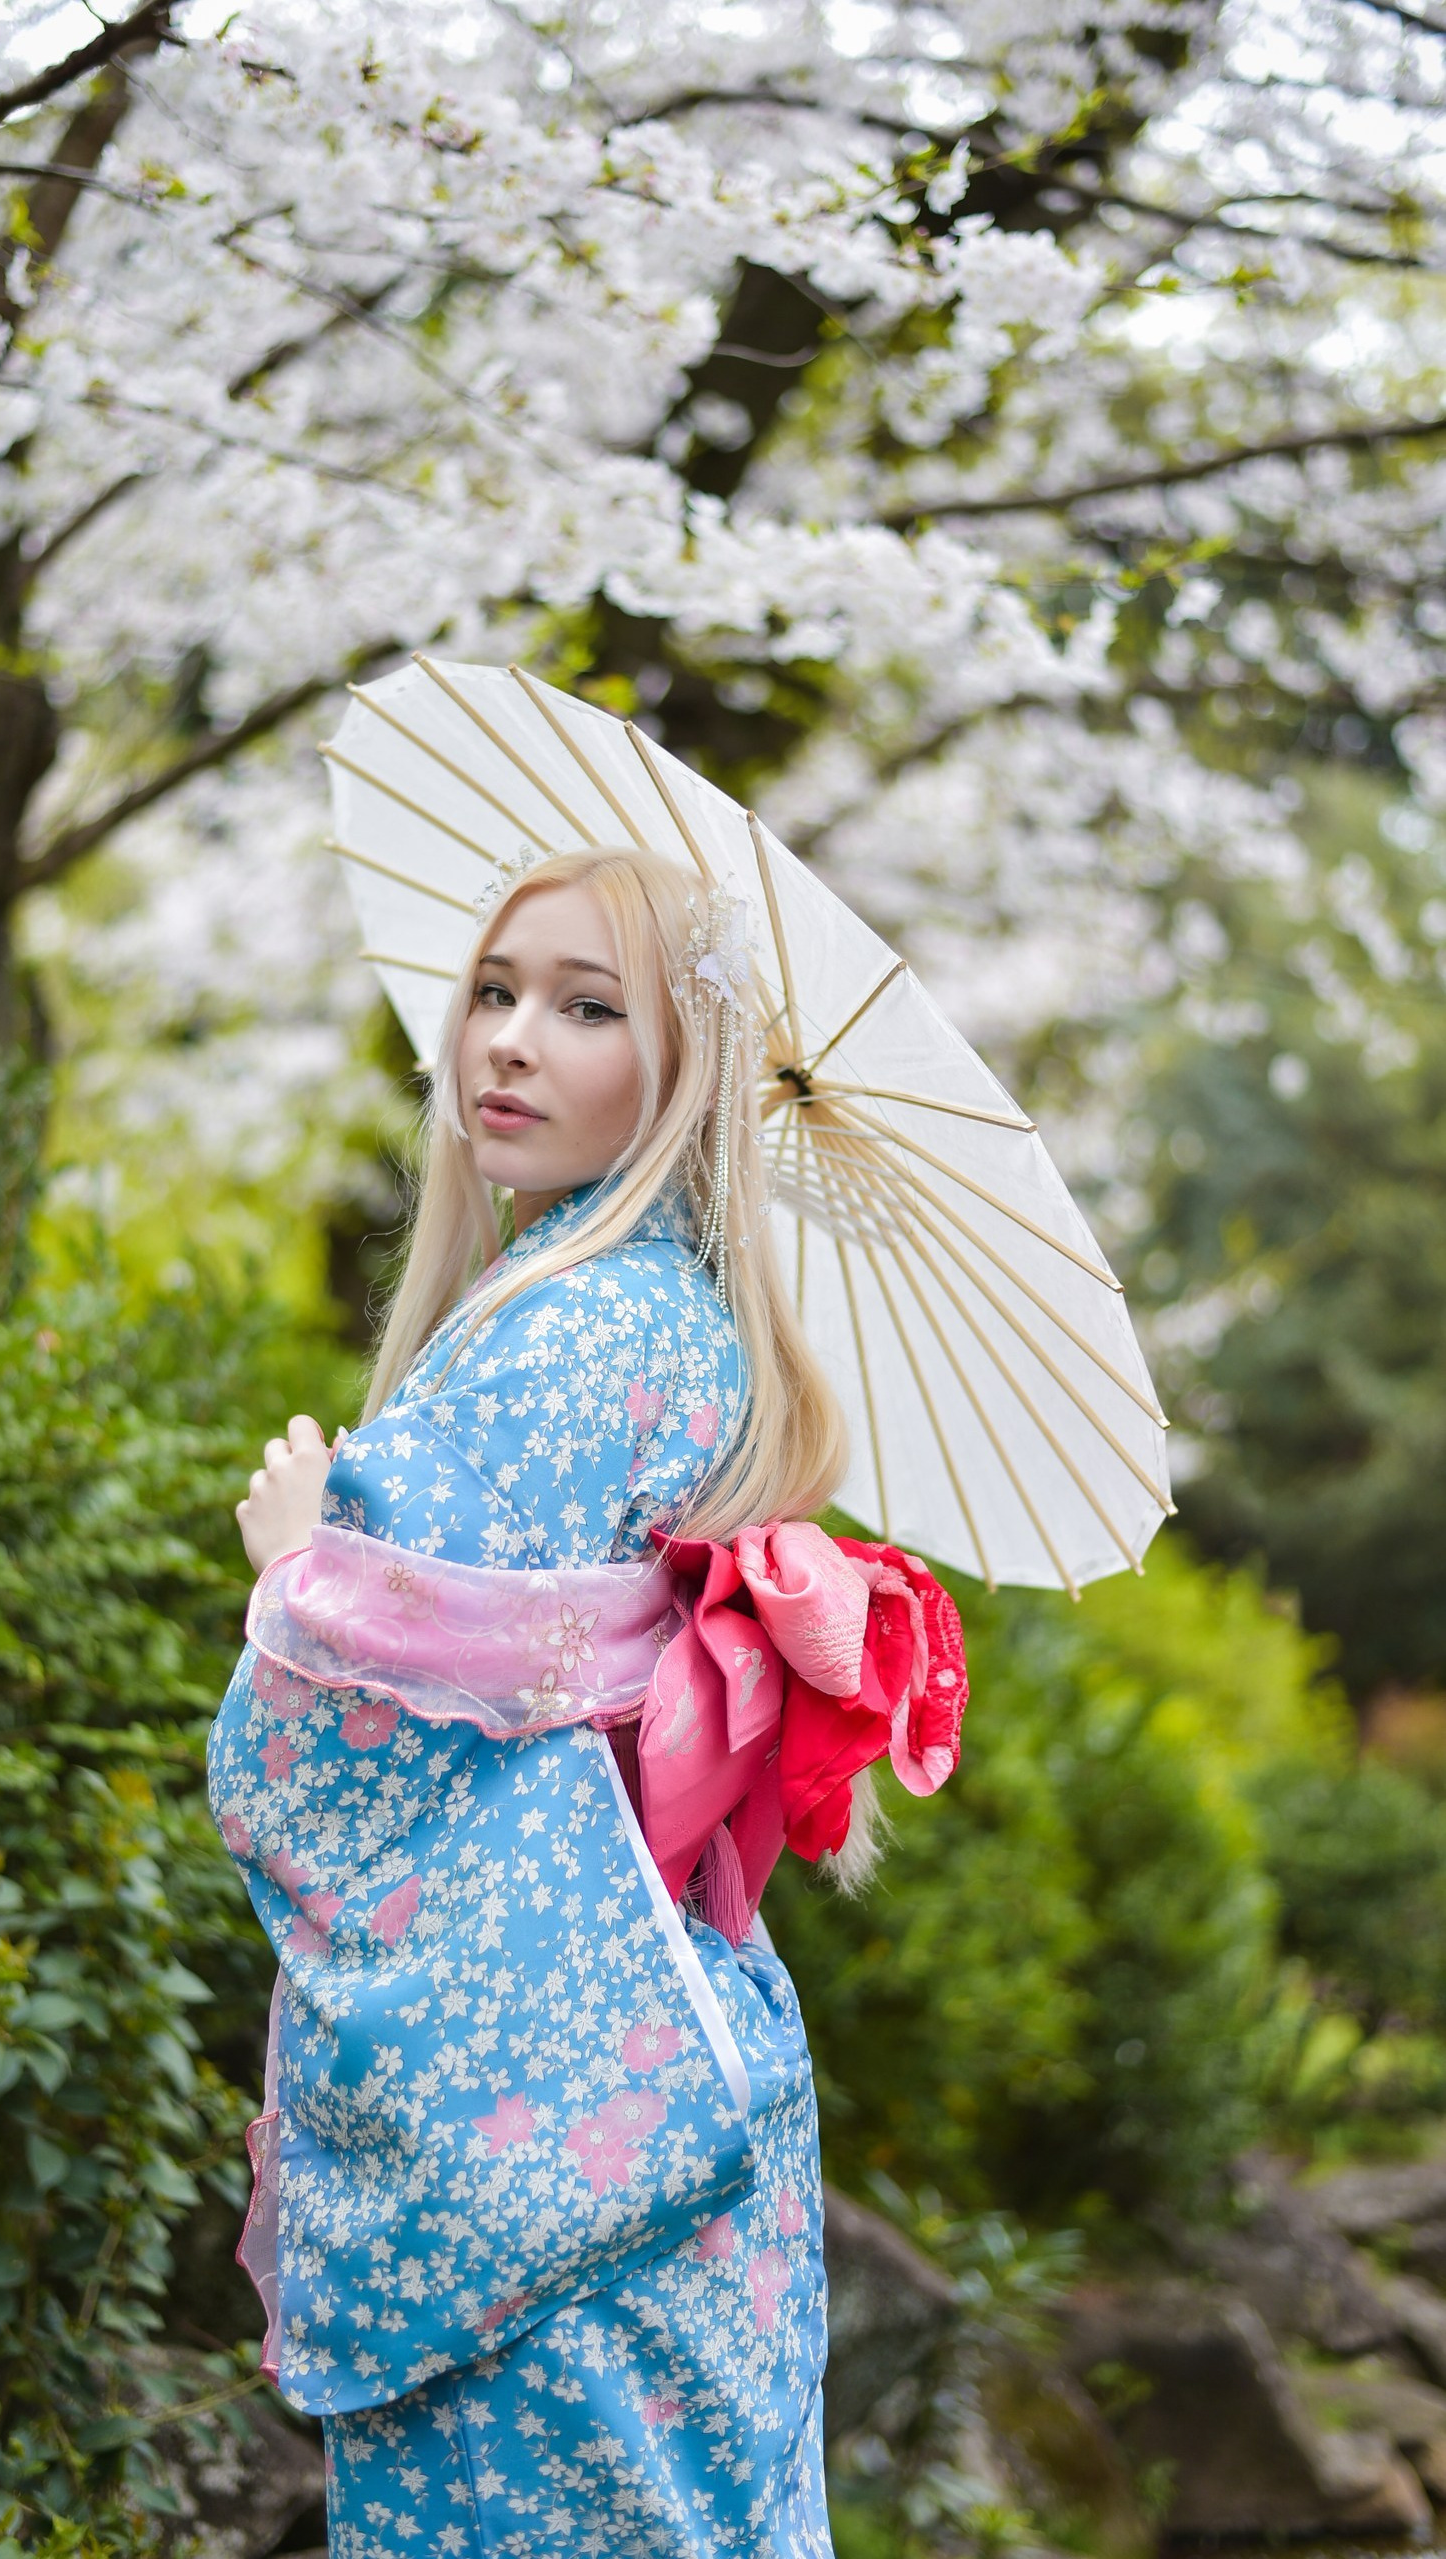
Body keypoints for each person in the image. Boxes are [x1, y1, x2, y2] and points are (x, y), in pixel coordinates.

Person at [206, 844, 940, 2556]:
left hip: (550, 2119)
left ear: (686, 1066)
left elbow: (355, 1740)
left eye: (587, 1006)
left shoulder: (567, 1336)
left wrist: (300, 1575)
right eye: (495, 990)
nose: (509, 1040)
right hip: (665, 2046)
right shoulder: (672, 1321)